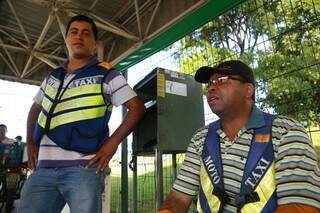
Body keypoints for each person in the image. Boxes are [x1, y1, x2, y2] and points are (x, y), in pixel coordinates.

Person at [18, 14, 145, 213]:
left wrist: (111, 145)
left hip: (83, 169)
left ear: (94, 43)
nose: (79, 36)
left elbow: (137, 107)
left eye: (86, 33)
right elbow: (35, 107)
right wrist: (30, 141)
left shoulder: (107, 73)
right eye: (74, 32)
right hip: (42, 169)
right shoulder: (53, 75)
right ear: (67, 39)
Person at [159, 60, 320, 213]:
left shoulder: (285, 131)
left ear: (248, 90)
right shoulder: (200, 139)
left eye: (221, 80)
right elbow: (179, 197)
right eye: (210, 83)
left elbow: (299, 205)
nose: (211, 88)